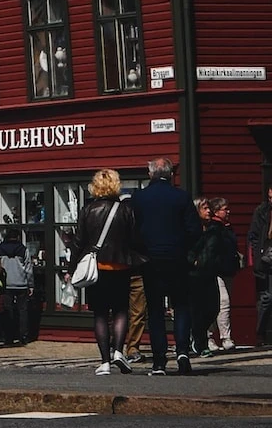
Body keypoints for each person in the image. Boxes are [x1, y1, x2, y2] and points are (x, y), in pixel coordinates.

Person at [132, 156, 199, 374]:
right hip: (177, 257)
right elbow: (194, 230)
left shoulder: (139, 198)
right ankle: (182, 352)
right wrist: (184, 248)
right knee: (181, 305)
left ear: (150, 174)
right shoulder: (182, 197)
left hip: (151, 259)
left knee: (155, 310)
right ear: (171, 174)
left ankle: (159, 361)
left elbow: (134, 231)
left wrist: (142, 250)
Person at [79, 167, 140, 375]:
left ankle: (104, 361)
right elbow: (134, 239)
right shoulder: (125, 210)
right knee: (121, 311)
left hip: (97, 268)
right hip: (121, 266)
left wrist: (72, 266)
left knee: (100, 314)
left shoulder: (88, 210)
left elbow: (79, 241)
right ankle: (118, 351)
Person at [187, 198, 239, 358]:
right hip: (195, 273)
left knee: (213, 307)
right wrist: (193, 261)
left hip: (211, 271)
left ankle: (200, 335)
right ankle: (201, 341)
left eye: (209, 208)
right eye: (204, 208)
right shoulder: (192, 230)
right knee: (198, 308)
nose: (208, 211)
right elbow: (188, 248)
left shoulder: (215, 229)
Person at [0, 229, 32, 346]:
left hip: (6, 283)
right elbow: (28, 269)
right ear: (18, 237)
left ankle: (8, 337)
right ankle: (23, 336)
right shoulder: (23, 249)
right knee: (23, 311)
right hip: (21, 283)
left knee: (8, 310)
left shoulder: (0, 249)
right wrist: (31, 284)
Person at [250, 183, 272, 347]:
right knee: (267, 297)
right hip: (266, 257)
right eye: (270, 197)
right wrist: (258, 254)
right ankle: (261, 333)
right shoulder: (262, 211)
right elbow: (254, 235)